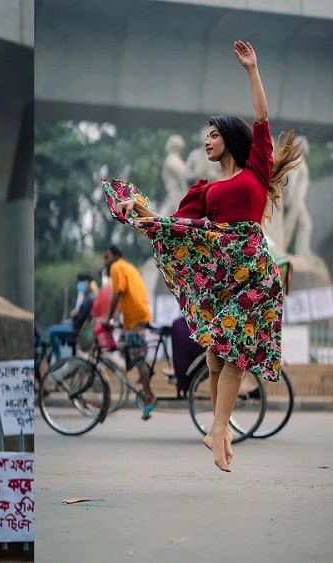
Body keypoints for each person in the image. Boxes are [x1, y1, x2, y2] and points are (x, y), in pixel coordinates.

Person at [107, 41, 301, 472]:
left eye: (213, 135)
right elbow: (172, 226)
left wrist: (252, 70)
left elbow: (262, 117)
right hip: (223, 281)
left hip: (253, 272)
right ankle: (222, 428)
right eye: (205, 136)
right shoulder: (204, 190)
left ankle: (217, 428)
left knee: (230, 350)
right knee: (215, 354)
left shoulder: (256, 171)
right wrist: (133, 206)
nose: (206, 141)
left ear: (229, 138)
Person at [100, 245, 155, 419]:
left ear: (115, 256)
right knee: (124, 346)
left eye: (107, 257)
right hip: (136, 316)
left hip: (135, 319)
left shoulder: (116, 267)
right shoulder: (128, 266)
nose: (105, 261)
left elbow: (117, 293)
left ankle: (148, 395)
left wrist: (108, 318)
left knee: (138, 358)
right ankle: (143, 373)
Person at [48, 273, 96, 360]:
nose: (80, 284)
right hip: (74, 325)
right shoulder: (89, 297)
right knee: (59, 326)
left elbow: (81, 318)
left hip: (74, 327)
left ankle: (58, 358)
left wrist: (75, 316)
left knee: (52, 331)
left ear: (88, 283)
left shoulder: (89, 299)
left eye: (83, 282)